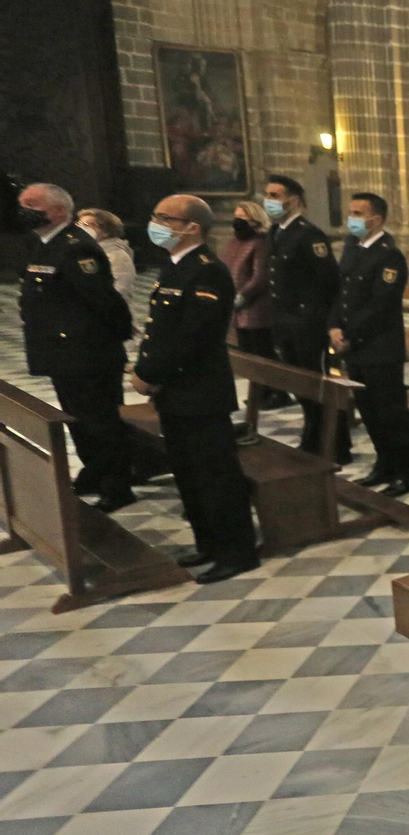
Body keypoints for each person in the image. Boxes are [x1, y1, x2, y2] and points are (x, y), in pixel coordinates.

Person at [134, 195, 259, 583]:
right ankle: (208, 543)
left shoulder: (207, 271)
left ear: (192, 228)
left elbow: (193, 337)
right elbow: (161, 329)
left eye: (163, 217)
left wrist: (150, 374)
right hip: (176, 391)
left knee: (215, 475)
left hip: (200, 392)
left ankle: (237, 552)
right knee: (188, 474)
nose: (155, 223)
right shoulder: (174, 267)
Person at [17, 183, 135, 511]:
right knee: (77, 419)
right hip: (63, 354)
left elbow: (105, 302)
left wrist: (110, 345)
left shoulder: (76, 248)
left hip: (88, 354)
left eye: (31, 204)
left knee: (100, 421)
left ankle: (117, 485)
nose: (22, 210)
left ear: (57, 210)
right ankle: (95, 472)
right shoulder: (42, 244)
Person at [330, 194, 409, 496]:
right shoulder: (353, 248)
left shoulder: (389, 255)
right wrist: (333, 326)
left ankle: (408, 472)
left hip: (380, 348)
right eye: (351, 211)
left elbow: (381, 305)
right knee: (368, 411)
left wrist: (349, 333)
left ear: (377, 220)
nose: (351, 217)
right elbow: (339, 291)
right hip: (355, 348)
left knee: (391, 412)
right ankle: (385, 464)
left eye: (358, 213)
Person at [265, 173, 349, 461]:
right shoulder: (277, 233)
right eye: (268, 195)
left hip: (307, 325)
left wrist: (328, 324)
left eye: (276, 195)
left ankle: (335, 445)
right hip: (286, 323)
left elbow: (329, 282)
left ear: (294, 200)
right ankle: (314, 436)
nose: (270, 201)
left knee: (317, 387)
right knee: (301, 387)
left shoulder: (308, 234)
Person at [222, 200, 274, 361]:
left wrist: (241, 296)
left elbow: (261, 277)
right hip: (236, 311)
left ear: (255, 219)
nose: (238, 220)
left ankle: (269, 387)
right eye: (236, 216)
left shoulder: (261, 242)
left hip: (256, 311)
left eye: (243, 217)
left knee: (261, 358)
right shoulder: (234, 242)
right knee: (247, 358)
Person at [75, 208, 137, 314]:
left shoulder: (117, 256)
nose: (80, 227)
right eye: (79, 223)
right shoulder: (86, 250)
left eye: (86, 224)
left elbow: (118, 291)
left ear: (105, 232)